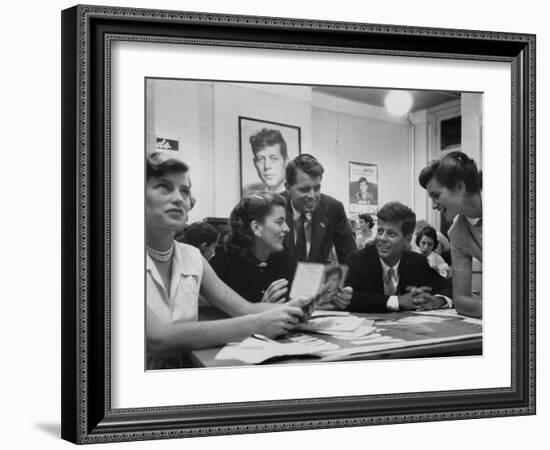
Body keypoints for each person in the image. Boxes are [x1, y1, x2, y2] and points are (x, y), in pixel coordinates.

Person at [145, 153, 311, 369]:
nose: (179, 198)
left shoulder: (193, 257)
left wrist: (292, 310)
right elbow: (157, 338)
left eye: (184, 191)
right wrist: (258, 324)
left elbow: (245, 308)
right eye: (164, 187)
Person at [346, 202, 452, 313]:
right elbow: (347, 299)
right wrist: (397, 301)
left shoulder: (417, 262)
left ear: (407, 240)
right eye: (380, 231)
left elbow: (449, 287)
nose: (382, 238)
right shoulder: (358, 260)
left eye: (391, 234)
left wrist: (438, 300)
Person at [419, 151, 482, 318]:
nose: (433, 205)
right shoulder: (457, 233)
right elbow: (461, 302)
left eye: (436, 196)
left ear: (460, 187)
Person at [210, 192, 296, 304]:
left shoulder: (285, 257)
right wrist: (261, 309)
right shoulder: (221, 266)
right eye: (279, 222)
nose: (287, 228)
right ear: (256, 227)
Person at [281, 154, 357, 264]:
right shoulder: (273, 207)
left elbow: (349, 258)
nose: (312, 196)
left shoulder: (333, 209)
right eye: (304, 189)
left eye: (316, 188)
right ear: (288, 188)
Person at [243, 128, 288, 195]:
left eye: (274, 159)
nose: (267, 166)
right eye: (260, 159)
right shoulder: (248, 193)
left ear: (286, 162)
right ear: (255, 163)